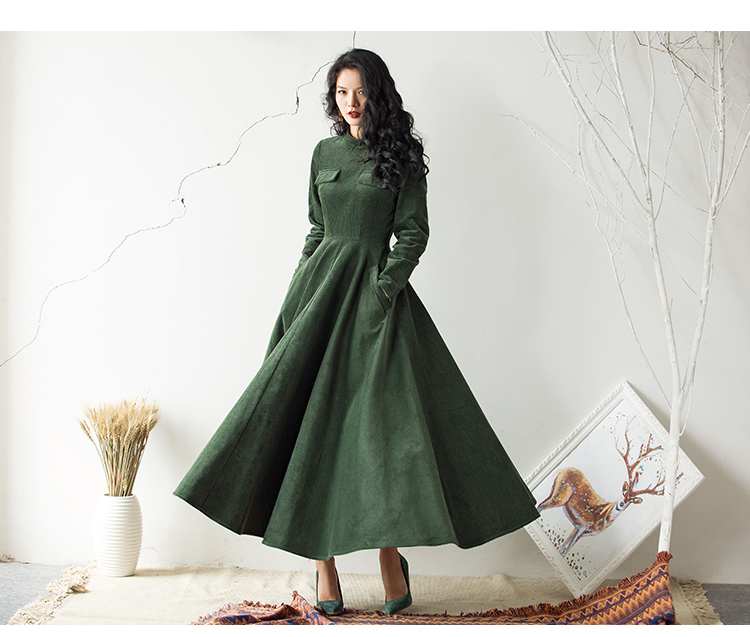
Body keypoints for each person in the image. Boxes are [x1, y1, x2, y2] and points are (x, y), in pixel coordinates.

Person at [174, 48, 540, 616]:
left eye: (361, 91)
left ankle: (390, 557)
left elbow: (413, 234)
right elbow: (317, 229)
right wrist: (296, 296)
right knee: (310, 430)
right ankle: (322, 563)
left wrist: (383, 291)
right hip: (317, 299)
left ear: (378, 94)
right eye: (342, 92)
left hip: (373, 307)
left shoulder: (402, 156)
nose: (351, 103)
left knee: (377, 437)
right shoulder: (324, 153)